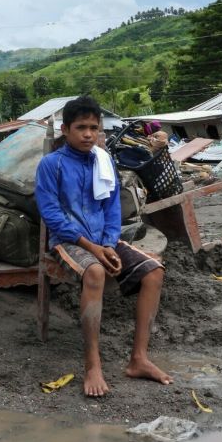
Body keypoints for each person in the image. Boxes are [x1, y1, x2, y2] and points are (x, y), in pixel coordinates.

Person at [35, 96, 173, 398]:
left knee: (154, 272)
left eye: (93, 128)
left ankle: (139, 359)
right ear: (65, 129)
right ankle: (92, 364)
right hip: (68, 241)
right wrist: (94, 249)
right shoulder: (51, 165)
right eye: (81, 127)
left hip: (104, 239)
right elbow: (51, 214)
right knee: (95, 272)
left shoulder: (103, 159)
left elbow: (112, 208)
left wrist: (109, 243)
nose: (87, 134)